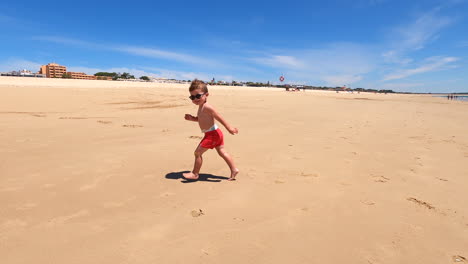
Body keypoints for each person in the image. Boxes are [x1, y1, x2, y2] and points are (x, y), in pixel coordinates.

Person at [183, 79, 239, 181]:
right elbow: (201, 119)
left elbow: (219, 117)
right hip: (214, 133)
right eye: (192, 97)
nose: (195, 99)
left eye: (198, 96)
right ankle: (234, 169)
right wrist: (192, 118)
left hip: (212, 134)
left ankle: (195, 174)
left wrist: (229, 128)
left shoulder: (207, 107)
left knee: (198, 153)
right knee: (222, 152)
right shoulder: (201, 106)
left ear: (206, 95)